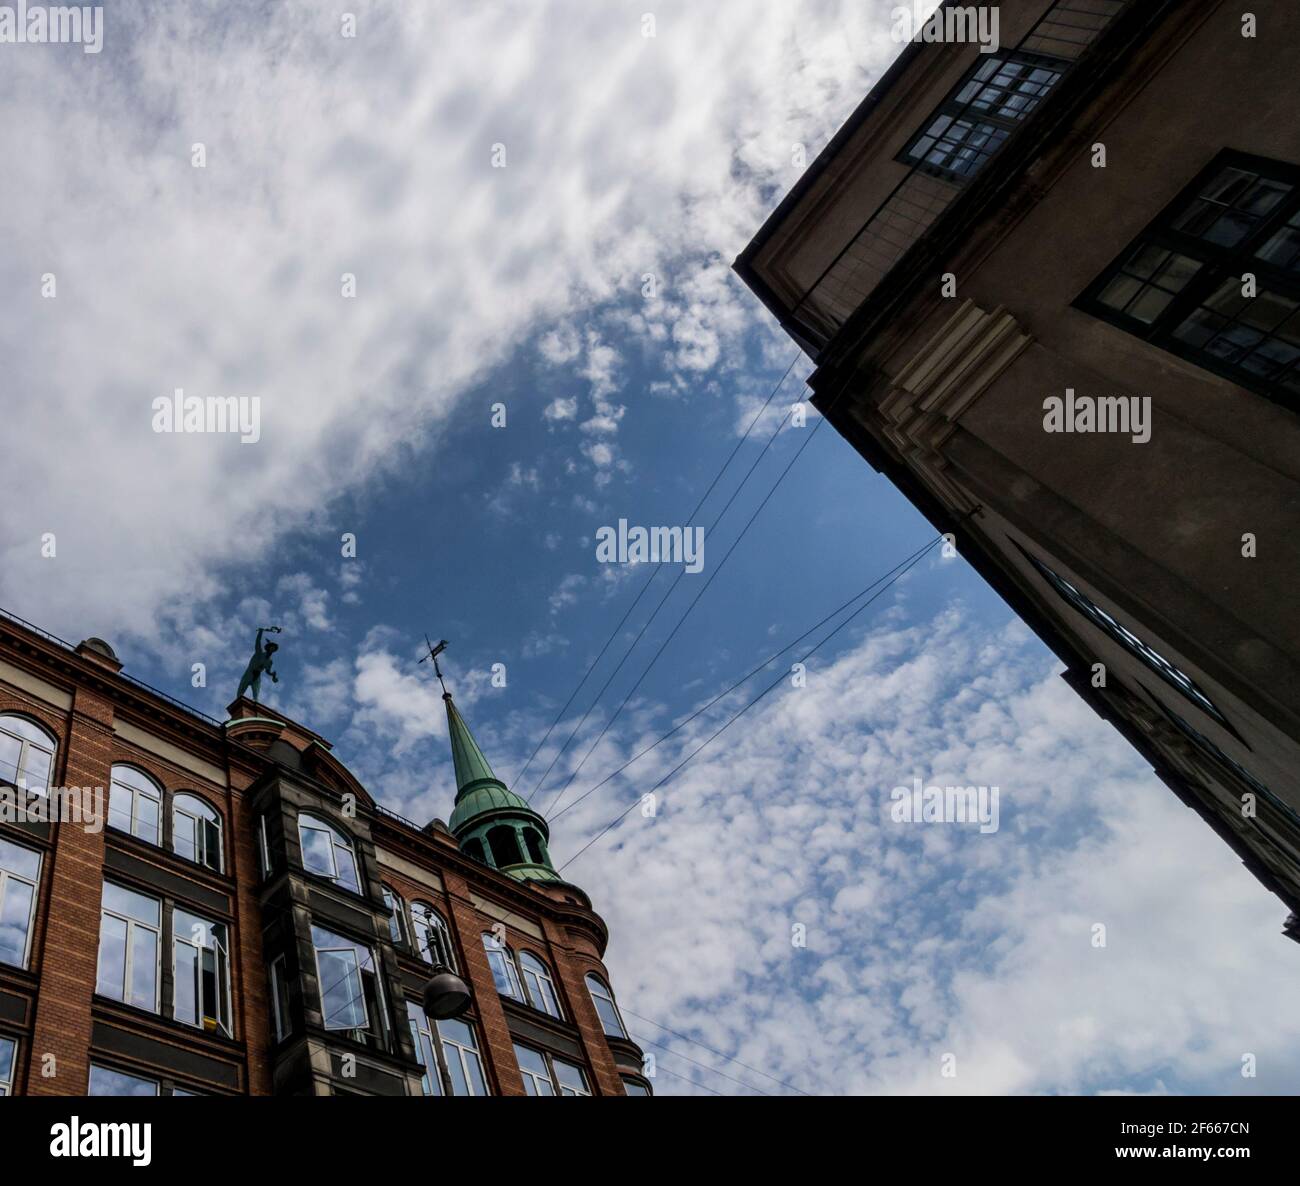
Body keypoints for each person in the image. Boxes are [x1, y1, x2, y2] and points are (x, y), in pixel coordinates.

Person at [237, 627, 281, 702]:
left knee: (256, 695)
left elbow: (267, 671)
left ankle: (255, 705)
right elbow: (258, 642)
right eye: (272, 648)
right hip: (249, 673)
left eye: (274, 649)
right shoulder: (259, 653)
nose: (273, 649)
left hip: (257, 676)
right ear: (268, 648)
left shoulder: (269, 661)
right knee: (240, 692)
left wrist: (272, 674)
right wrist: (260, 632)